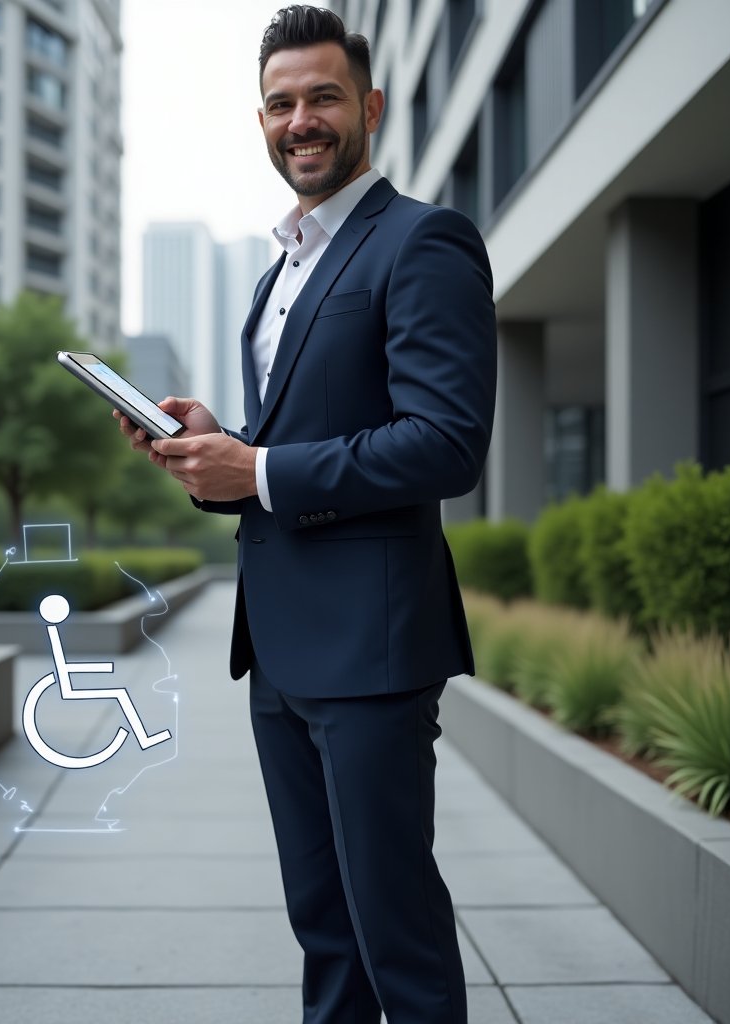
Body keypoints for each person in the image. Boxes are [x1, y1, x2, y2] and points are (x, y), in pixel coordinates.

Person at [116, 6, 496, 1021]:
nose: (301, 119)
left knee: (393, 930)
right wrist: (214, 442)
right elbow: (301, 432)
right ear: (262, 120)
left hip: (371, 651)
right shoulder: (284, 264)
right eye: (281, 103)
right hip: (280, 652)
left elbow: (445, 443)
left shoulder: (423, 242)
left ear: (368, 106)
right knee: (324, 929)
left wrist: (262, 469)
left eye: (323, 96)